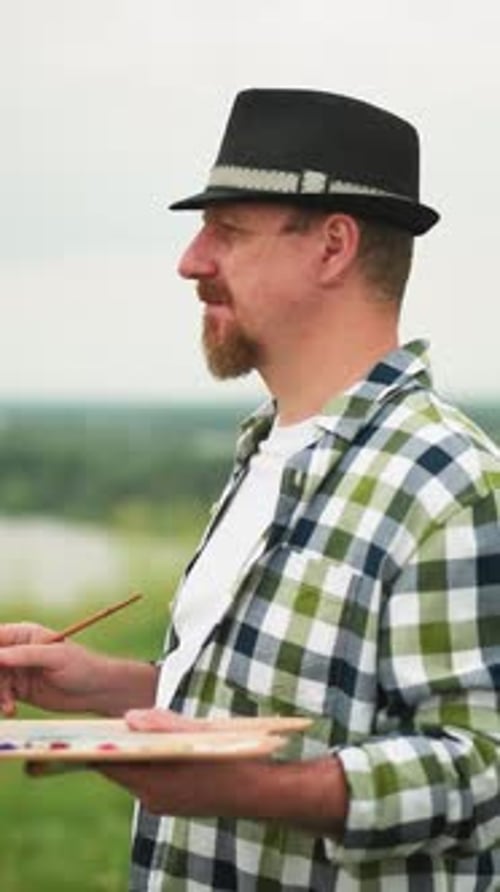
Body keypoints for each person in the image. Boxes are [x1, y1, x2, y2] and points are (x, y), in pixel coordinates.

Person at [0, 88, 499, 891]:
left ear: (333, 246)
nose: (190, 260)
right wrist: (100, 682)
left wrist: (255, 793)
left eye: (226, 231)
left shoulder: (448, 482)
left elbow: (479, 768)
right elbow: (285, 702)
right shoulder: (266, 451)